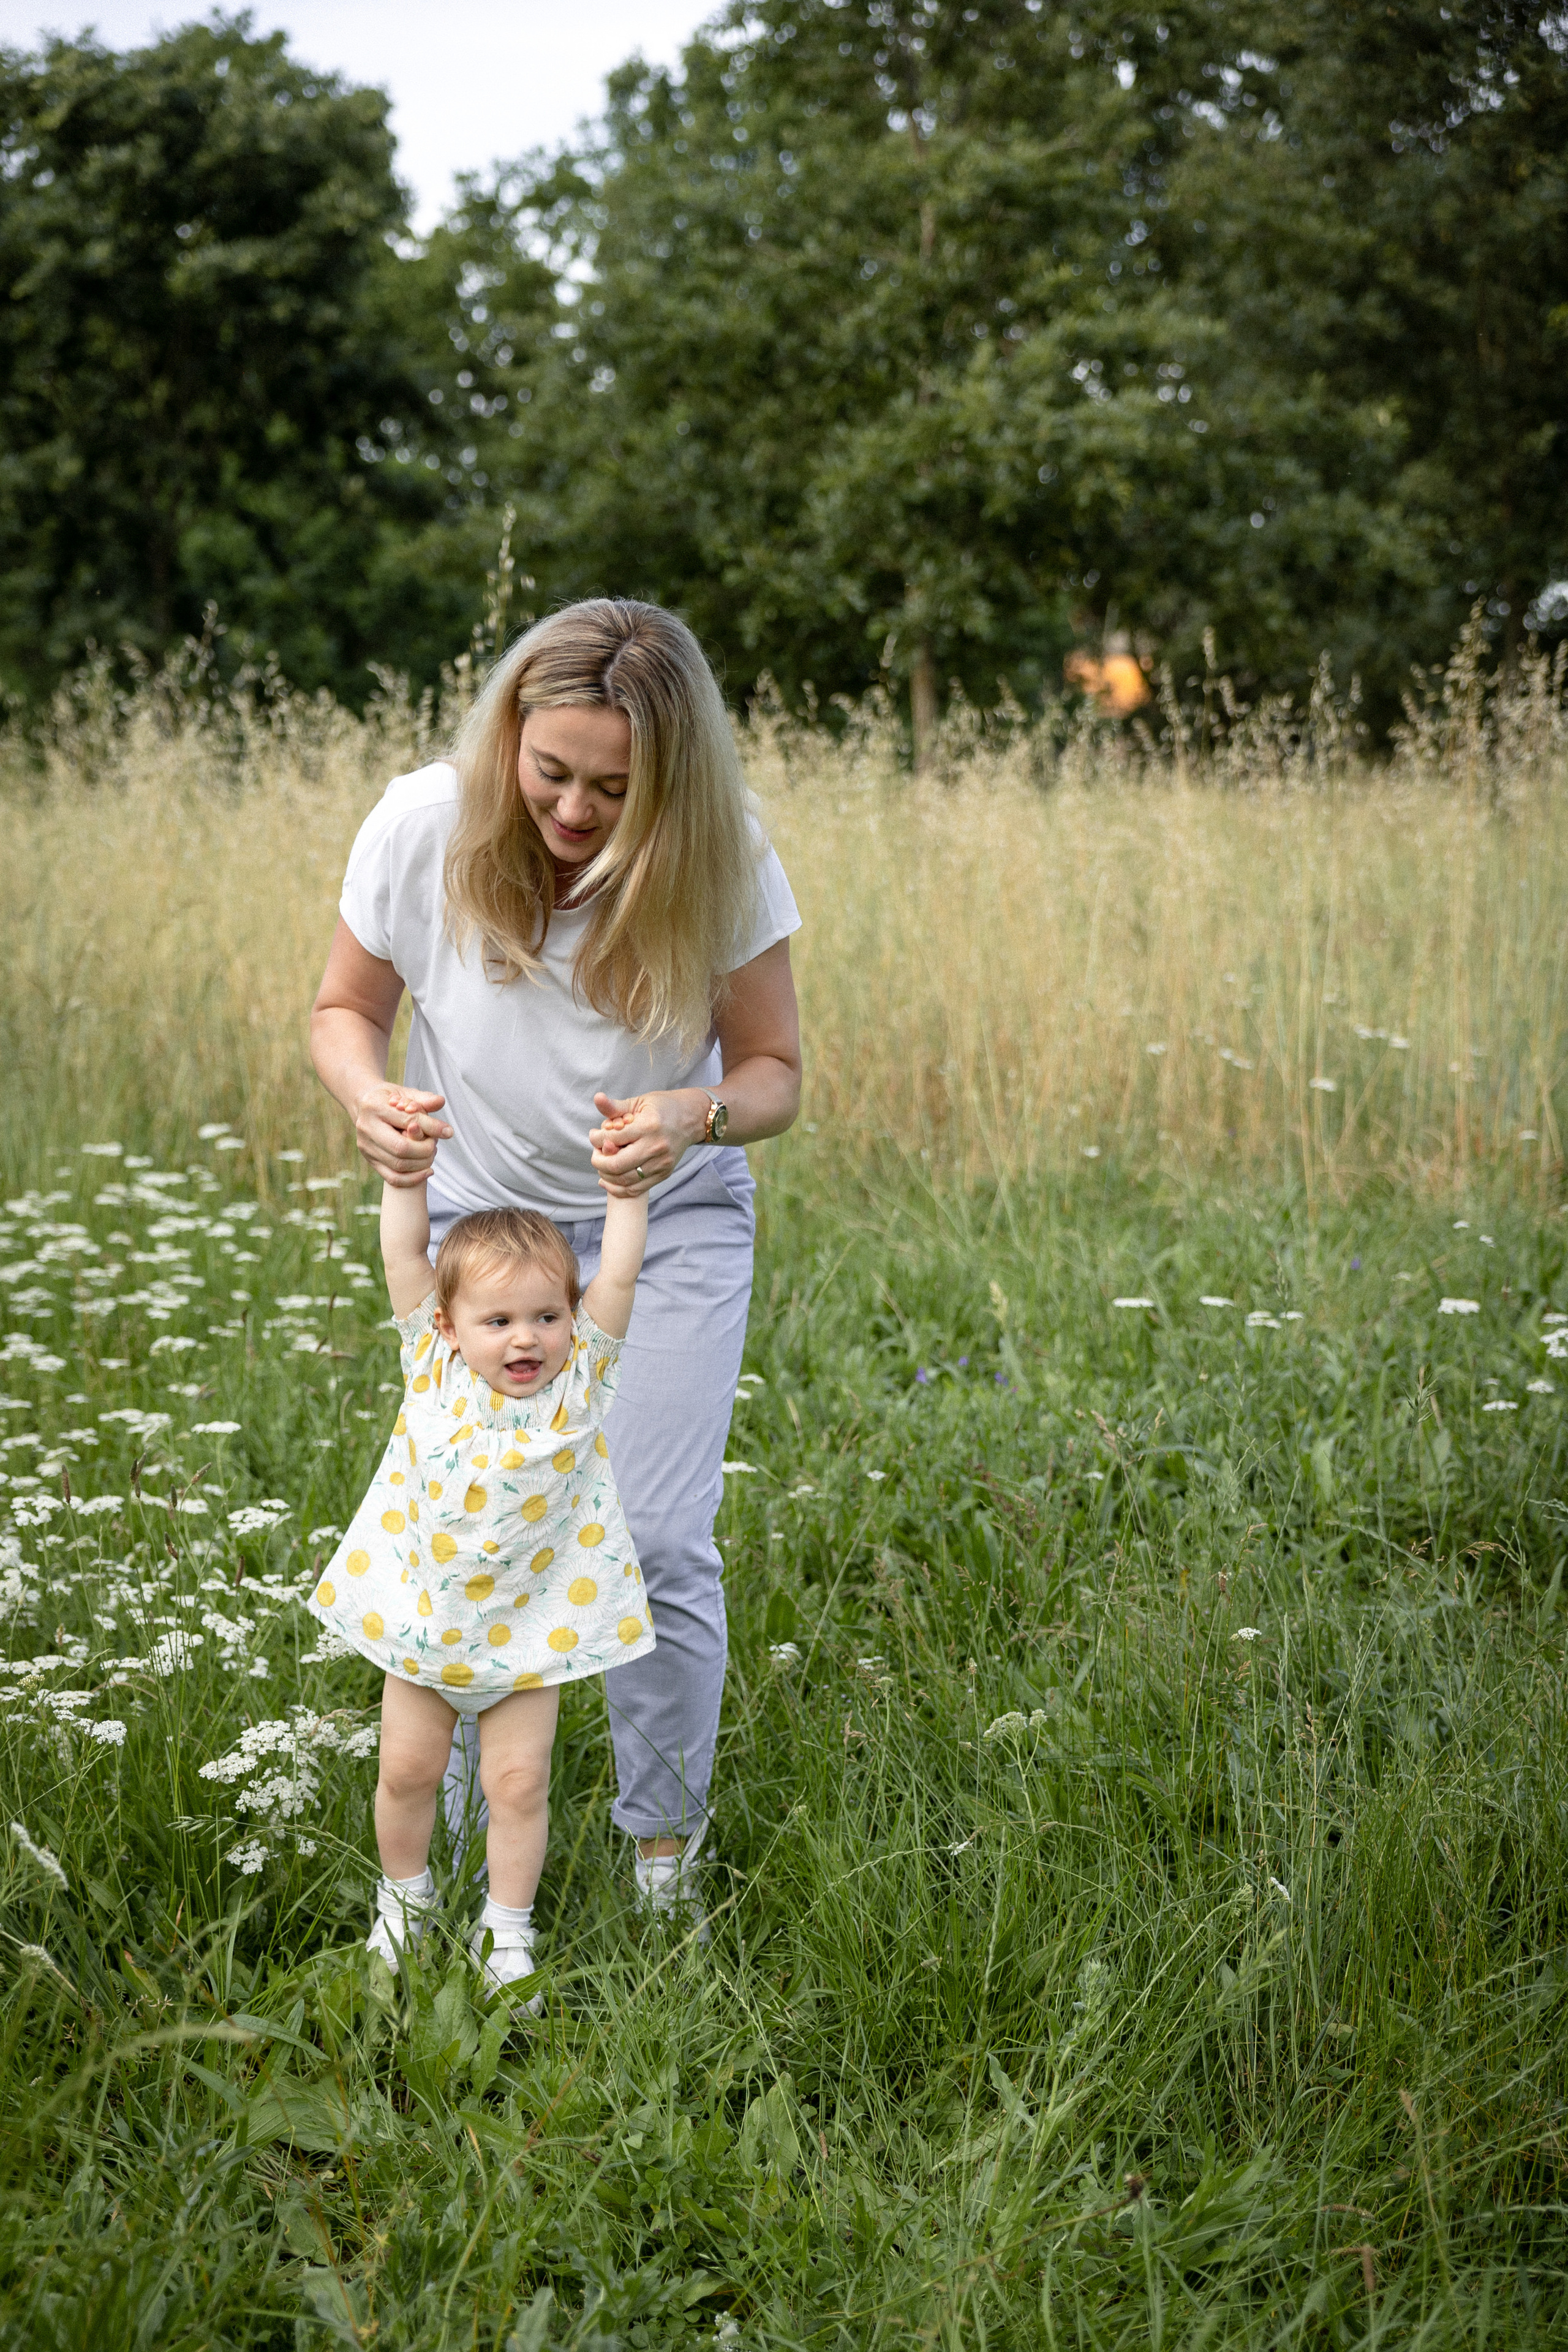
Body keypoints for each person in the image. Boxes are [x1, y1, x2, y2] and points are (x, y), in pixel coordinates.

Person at [309, 598, 802, 1928]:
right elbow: (346, 1010)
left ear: (673, 788)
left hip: (667, 1215)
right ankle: (473, 1842)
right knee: (478, 1514)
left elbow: (774, 1073)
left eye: (617, 790)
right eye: (551, 773)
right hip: (482, 1230)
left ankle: (663, 1855)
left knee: (656, 1536)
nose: (576, 811)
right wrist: (365, 1094)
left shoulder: (725, 854)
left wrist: (693, 1114)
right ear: (507, 740)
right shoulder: (421, 827)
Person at [307, 1110, 652, 1997]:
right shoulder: (433, 1368)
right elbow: (402, 1255)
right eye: (497, 1320)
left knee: (518, 1785)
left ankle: (507, 1930)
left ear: (571, 1321)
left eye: (546, 1316)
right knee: (406, 1772)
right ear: (451, 1327)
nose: (525, 1338)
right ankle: (404, 1901)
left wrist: (624, 1196)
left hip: (529, 1638)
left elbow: (618, 1274)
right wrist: (405, 1181)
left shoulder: (579, 1386)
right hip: (425, 1627)